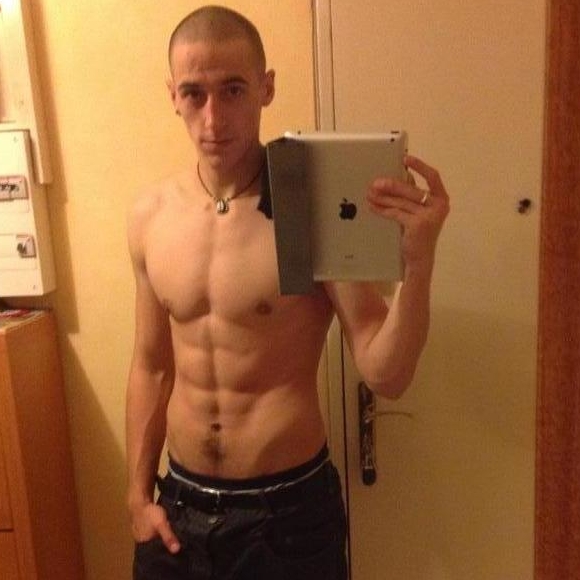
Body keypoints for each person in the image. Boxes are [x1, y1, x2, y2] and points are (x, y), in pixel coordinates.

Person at [126, 5, 449, 580]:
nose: (213, 118)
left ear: (266, 88)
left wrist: (418, 263)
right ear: (172, 94)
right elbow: (151, 367)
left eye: (233, 90)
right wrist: (136, 495)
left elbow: (387, 373)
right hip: (178, 511)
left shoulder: (307, 207)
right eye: (195, 93)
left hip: (287, 519)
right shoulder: (151, 216)